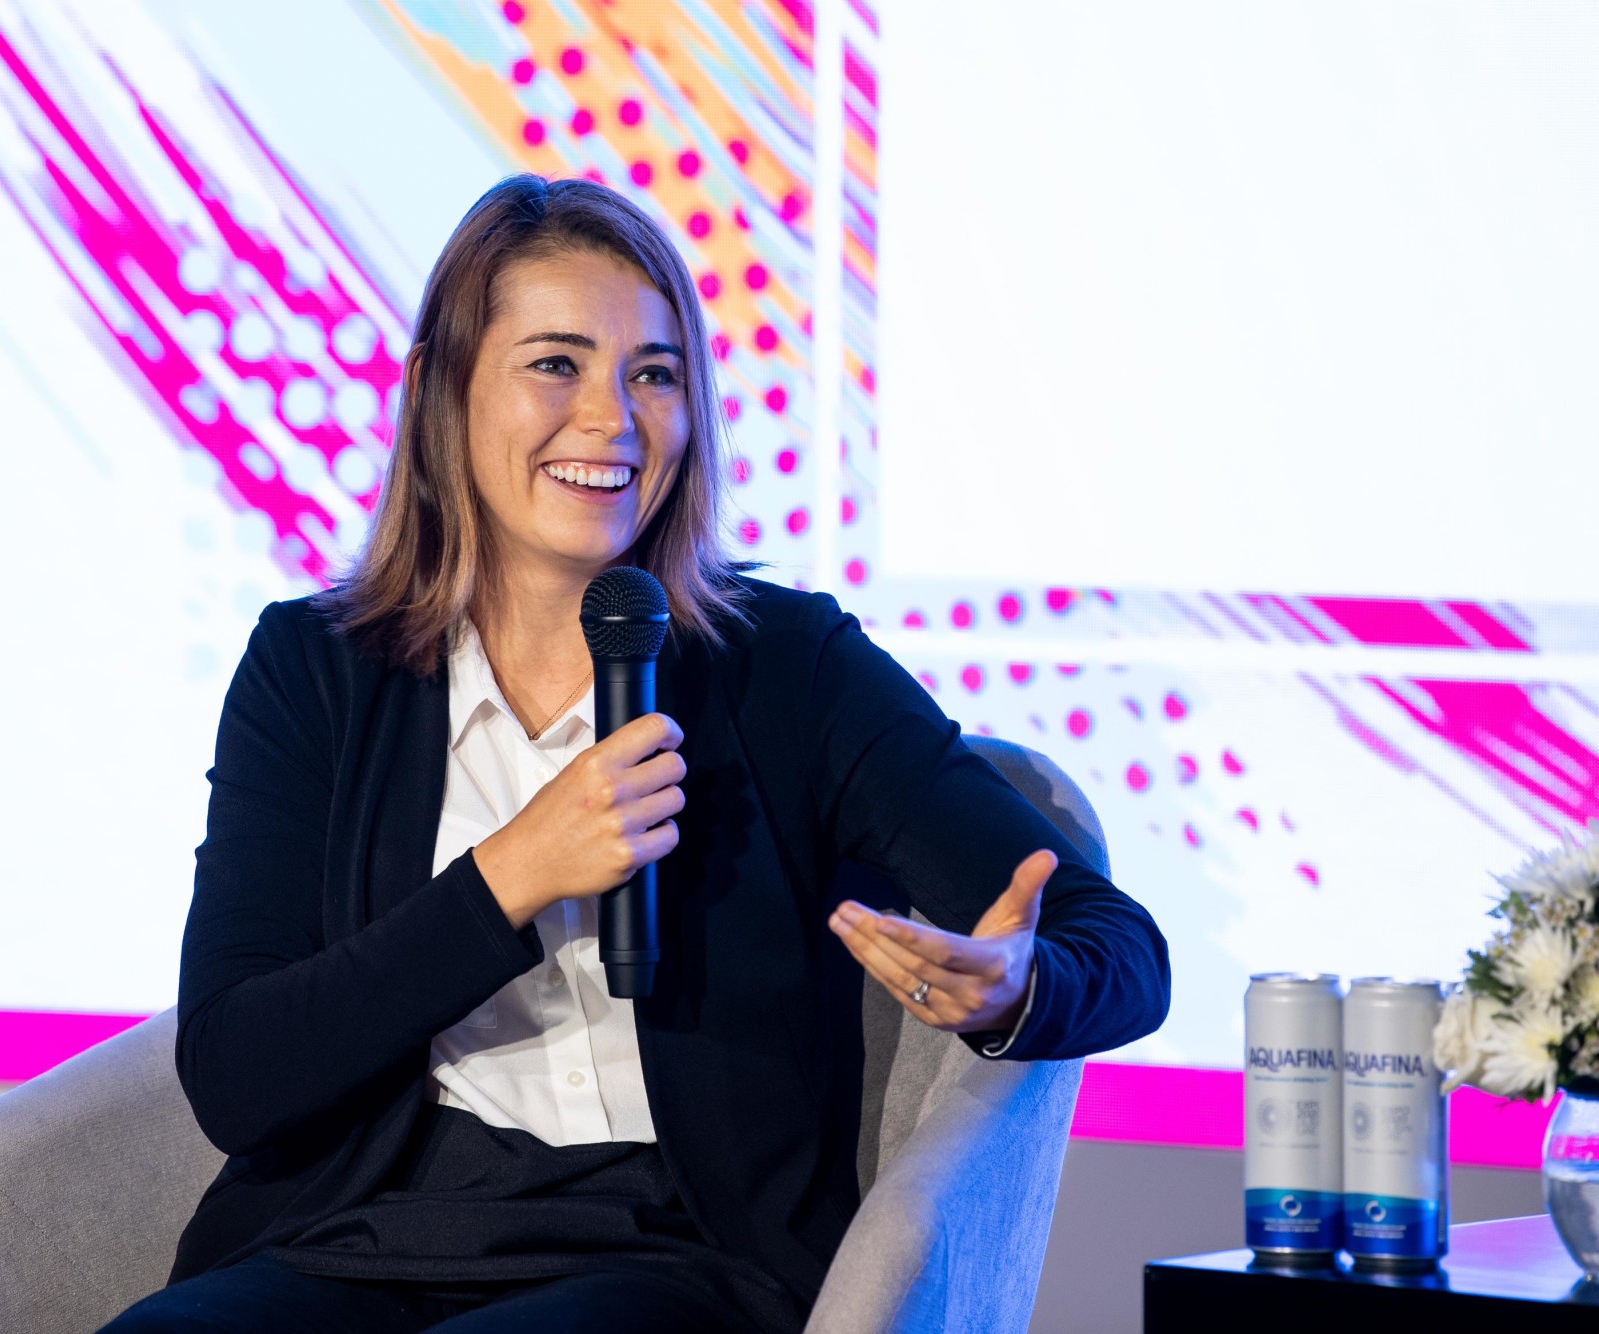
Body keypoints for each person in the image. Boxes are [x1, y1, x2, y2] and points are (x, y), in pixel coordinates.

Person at [100, 174, 1169, 1333]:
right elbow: (235, 1070)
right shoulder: (314, 669)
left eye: (653, 373)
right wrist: (514, 873)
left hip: (673, 1259)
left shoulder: (785, 667)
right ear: (441, 394)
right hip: (356, 1236)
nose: (613, 418)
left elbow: (1119, 947)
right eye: (555, 363)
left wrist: (1018, 987)